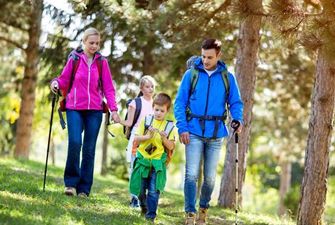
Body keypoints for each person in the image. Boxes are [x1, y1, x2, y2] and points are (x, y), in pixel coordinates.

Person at [174, 38, 243, 225]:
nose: (205, 60)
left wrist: (237, 119)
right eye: (203, 56)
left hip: (215, 133)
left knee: (210, 178)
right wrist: (182, 127)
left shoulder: (228, 77)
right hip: (193, 131)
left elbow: (235, 102)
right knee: (191, 175)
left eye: (210, 57)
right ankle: (189, 213)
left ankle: (203, 210)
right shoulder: (191, 74)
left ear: (218, 55)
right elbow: (179, 102)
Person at [50, 27, 120, 197]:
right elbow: (64, 78)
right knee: (75, 143)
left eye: (97, 43)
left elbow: (109, 88)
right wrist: (55, 83)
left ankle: (84, 189)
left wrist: (114, 110)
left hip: (95, 111)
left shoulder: (101, 62)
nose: (94, 46)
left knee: (89, 149)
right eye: (91, 43)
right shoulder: (74, 59)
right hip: (74, 107)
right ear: (84, 41)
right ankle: (71, 184)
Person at [129, 93, 176, 223]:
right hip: (143, 159)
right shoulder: (146, 120)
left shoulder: (169, 126)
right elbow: (136, 139)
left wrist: (164, 138)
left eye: (162, 110)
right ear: (153, 107)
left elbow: (171, 146)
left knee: (154, 191)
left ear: (167, 111)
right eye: (156, 109)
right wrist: (147, 137)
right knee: (140, 189)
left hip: (157, 163)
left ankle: (150, 216)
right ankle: (144, 208)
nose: (158, 113)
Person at [120, 75, 156, 208]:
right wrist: (118, 120)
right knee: (135, 168)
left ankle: (143, 198)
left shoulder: (155, 104)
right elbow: (129, 122)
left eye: (152, 86)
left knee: (147, 169)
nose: (150, 89)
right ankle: (134, 198)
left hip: (150, 140)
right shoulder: (135, 103)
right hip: (136, 139)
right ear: (141, 88)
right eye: (147, 86)